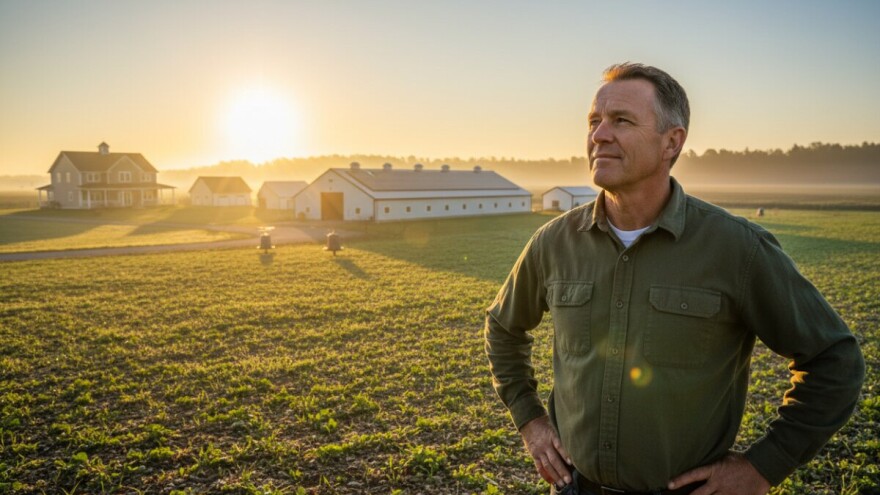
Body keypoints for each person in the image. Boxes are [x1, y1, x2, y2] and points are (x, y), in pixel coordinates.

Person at [484, 62, 865, 495]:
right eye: (594, 121)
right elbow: (502, 326)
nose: (599, 135)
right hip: (575, 487)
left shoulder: (737, 248)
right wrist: (530, 420)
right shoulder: (553, 243)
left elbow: (836, 360)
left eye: (621, 121)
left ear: (672, 142)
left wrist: (763, 467)